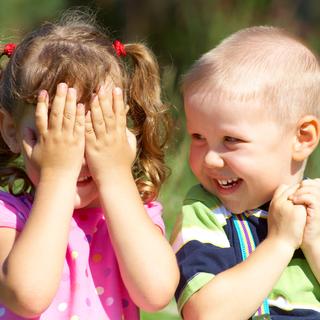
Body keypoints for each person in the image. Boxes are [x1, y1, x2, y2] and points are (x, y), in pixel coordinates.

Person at [0, 10, 179, 320]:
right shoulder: (9, 217)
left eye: (95, 132)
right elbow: (28, 296)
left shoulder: (130, 216)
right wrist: (57, 177)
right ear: (11, 131)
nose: (75, 155)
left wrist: (114, 174)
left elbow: (157, 293)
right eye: (55, 134)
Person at [170, 26, 320, 319]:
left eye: (231, 140)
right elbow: (204, 314)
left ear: (302, 138)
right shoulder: (204, 212)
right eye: (198, 137)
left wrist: (314, 244)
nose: (211, 159)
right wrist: (280, 243)